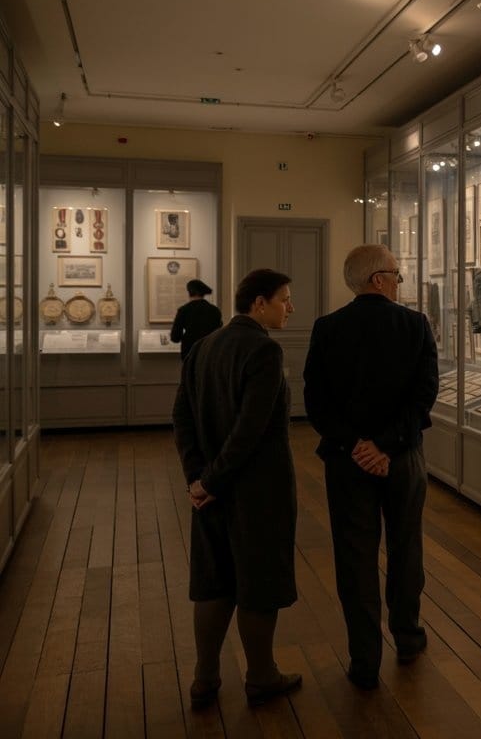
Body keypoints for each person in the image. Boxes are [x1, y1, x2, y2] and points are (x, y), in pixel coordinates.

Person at [303, 245, 439, 690]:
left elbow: (316, 402)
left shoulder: (327, 329)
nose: (401, 282)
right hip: (402, 459)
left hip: (347, 463)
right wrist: (386, 445)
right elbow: (423, 397)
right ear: (378, 279)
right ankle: (408, 636)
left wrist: (357, 445)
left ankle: (364, 658)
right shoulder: (414, 325)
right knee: (406, 549)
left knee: (355, 558)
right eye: (397, 274)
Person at [172, 269, 300, 709]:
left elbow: (182, 419)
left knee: (214, 581)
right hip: (255, 491)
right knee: (257, 580)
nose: (291, 307)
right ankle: (261, 675)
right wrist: (212, 479)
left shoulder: (205, 346)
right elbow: (251, 430)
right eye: (285, 299)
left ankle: (205, 676)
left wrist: (198, 478)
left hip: (209, 490)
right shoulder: (263, 350)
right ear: (259, 303)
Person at [170, 278, 223, 360]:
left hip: (189, 352)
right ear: (203, 293)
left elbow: (175, 337)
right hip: (210, 351)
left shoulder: (184, 310)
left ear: (189, 292)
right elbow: (219, 332)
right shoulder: (214, 310)